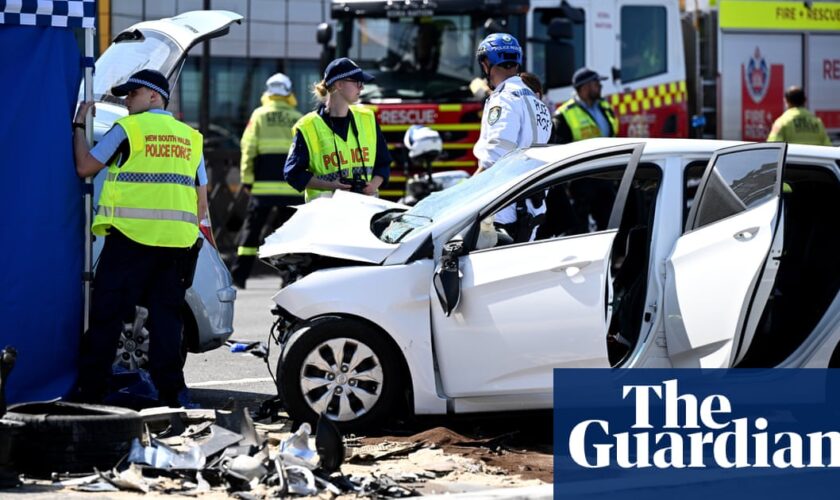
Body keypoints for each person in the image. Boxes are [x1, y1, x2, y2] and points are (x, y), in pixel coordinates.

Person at [72, 69, 206, 408]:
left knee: (107, 315)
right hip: (177, 243)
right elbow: (201, 200)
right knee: (166, 322)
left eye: (133, 93)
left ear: (155, 96)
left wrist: (78, 126)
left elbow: (85, 167)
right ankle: (173, 396)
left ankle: (91, 393)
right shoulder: (191, 138)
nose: (126, 99)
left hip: (131, 240)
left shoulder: (128, 129)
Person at [473, 33, 553, 243]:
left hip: (504, 211)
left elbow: (495, 157)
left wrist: (464, 196)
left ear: (487, 63)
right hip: (533, 207)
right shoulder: (537, 103)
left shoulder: (503, 99)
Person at [230, 73, 303, 289]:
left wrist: (247, 179)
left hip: (263, 188)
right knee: (288, 235)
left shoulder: (260, 115)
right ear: (289, 92)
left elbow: (249, 148)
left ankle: (239, 276)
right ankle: (288, 278)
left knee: (251, 233)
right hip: (292, 190)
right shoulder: (298, 118)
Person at [284, 57, 391, 202]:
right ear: (339, 84)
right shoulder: (308, 126)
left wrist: (372, 186)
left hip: (364, 214)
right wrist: (330, 186)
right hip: (325, 217)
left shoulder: (368, 119)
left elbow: (383, 164)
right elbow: (293, 174)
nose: (362, 88)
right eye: (357, 82)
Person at [552, 67, 618, 144]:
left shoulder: (605, 106)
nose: (600, 86)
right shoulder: (563, 115)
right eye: (597, 83)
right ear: (585, 88)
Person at [767, 86, 832, 146]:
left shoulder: (781, 122)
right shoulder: (817, 122)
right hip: (815, 158)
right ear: (804, 100)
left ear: (786, 101)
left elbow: (773, 147)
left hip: (791, 159)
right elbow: (828, 147)